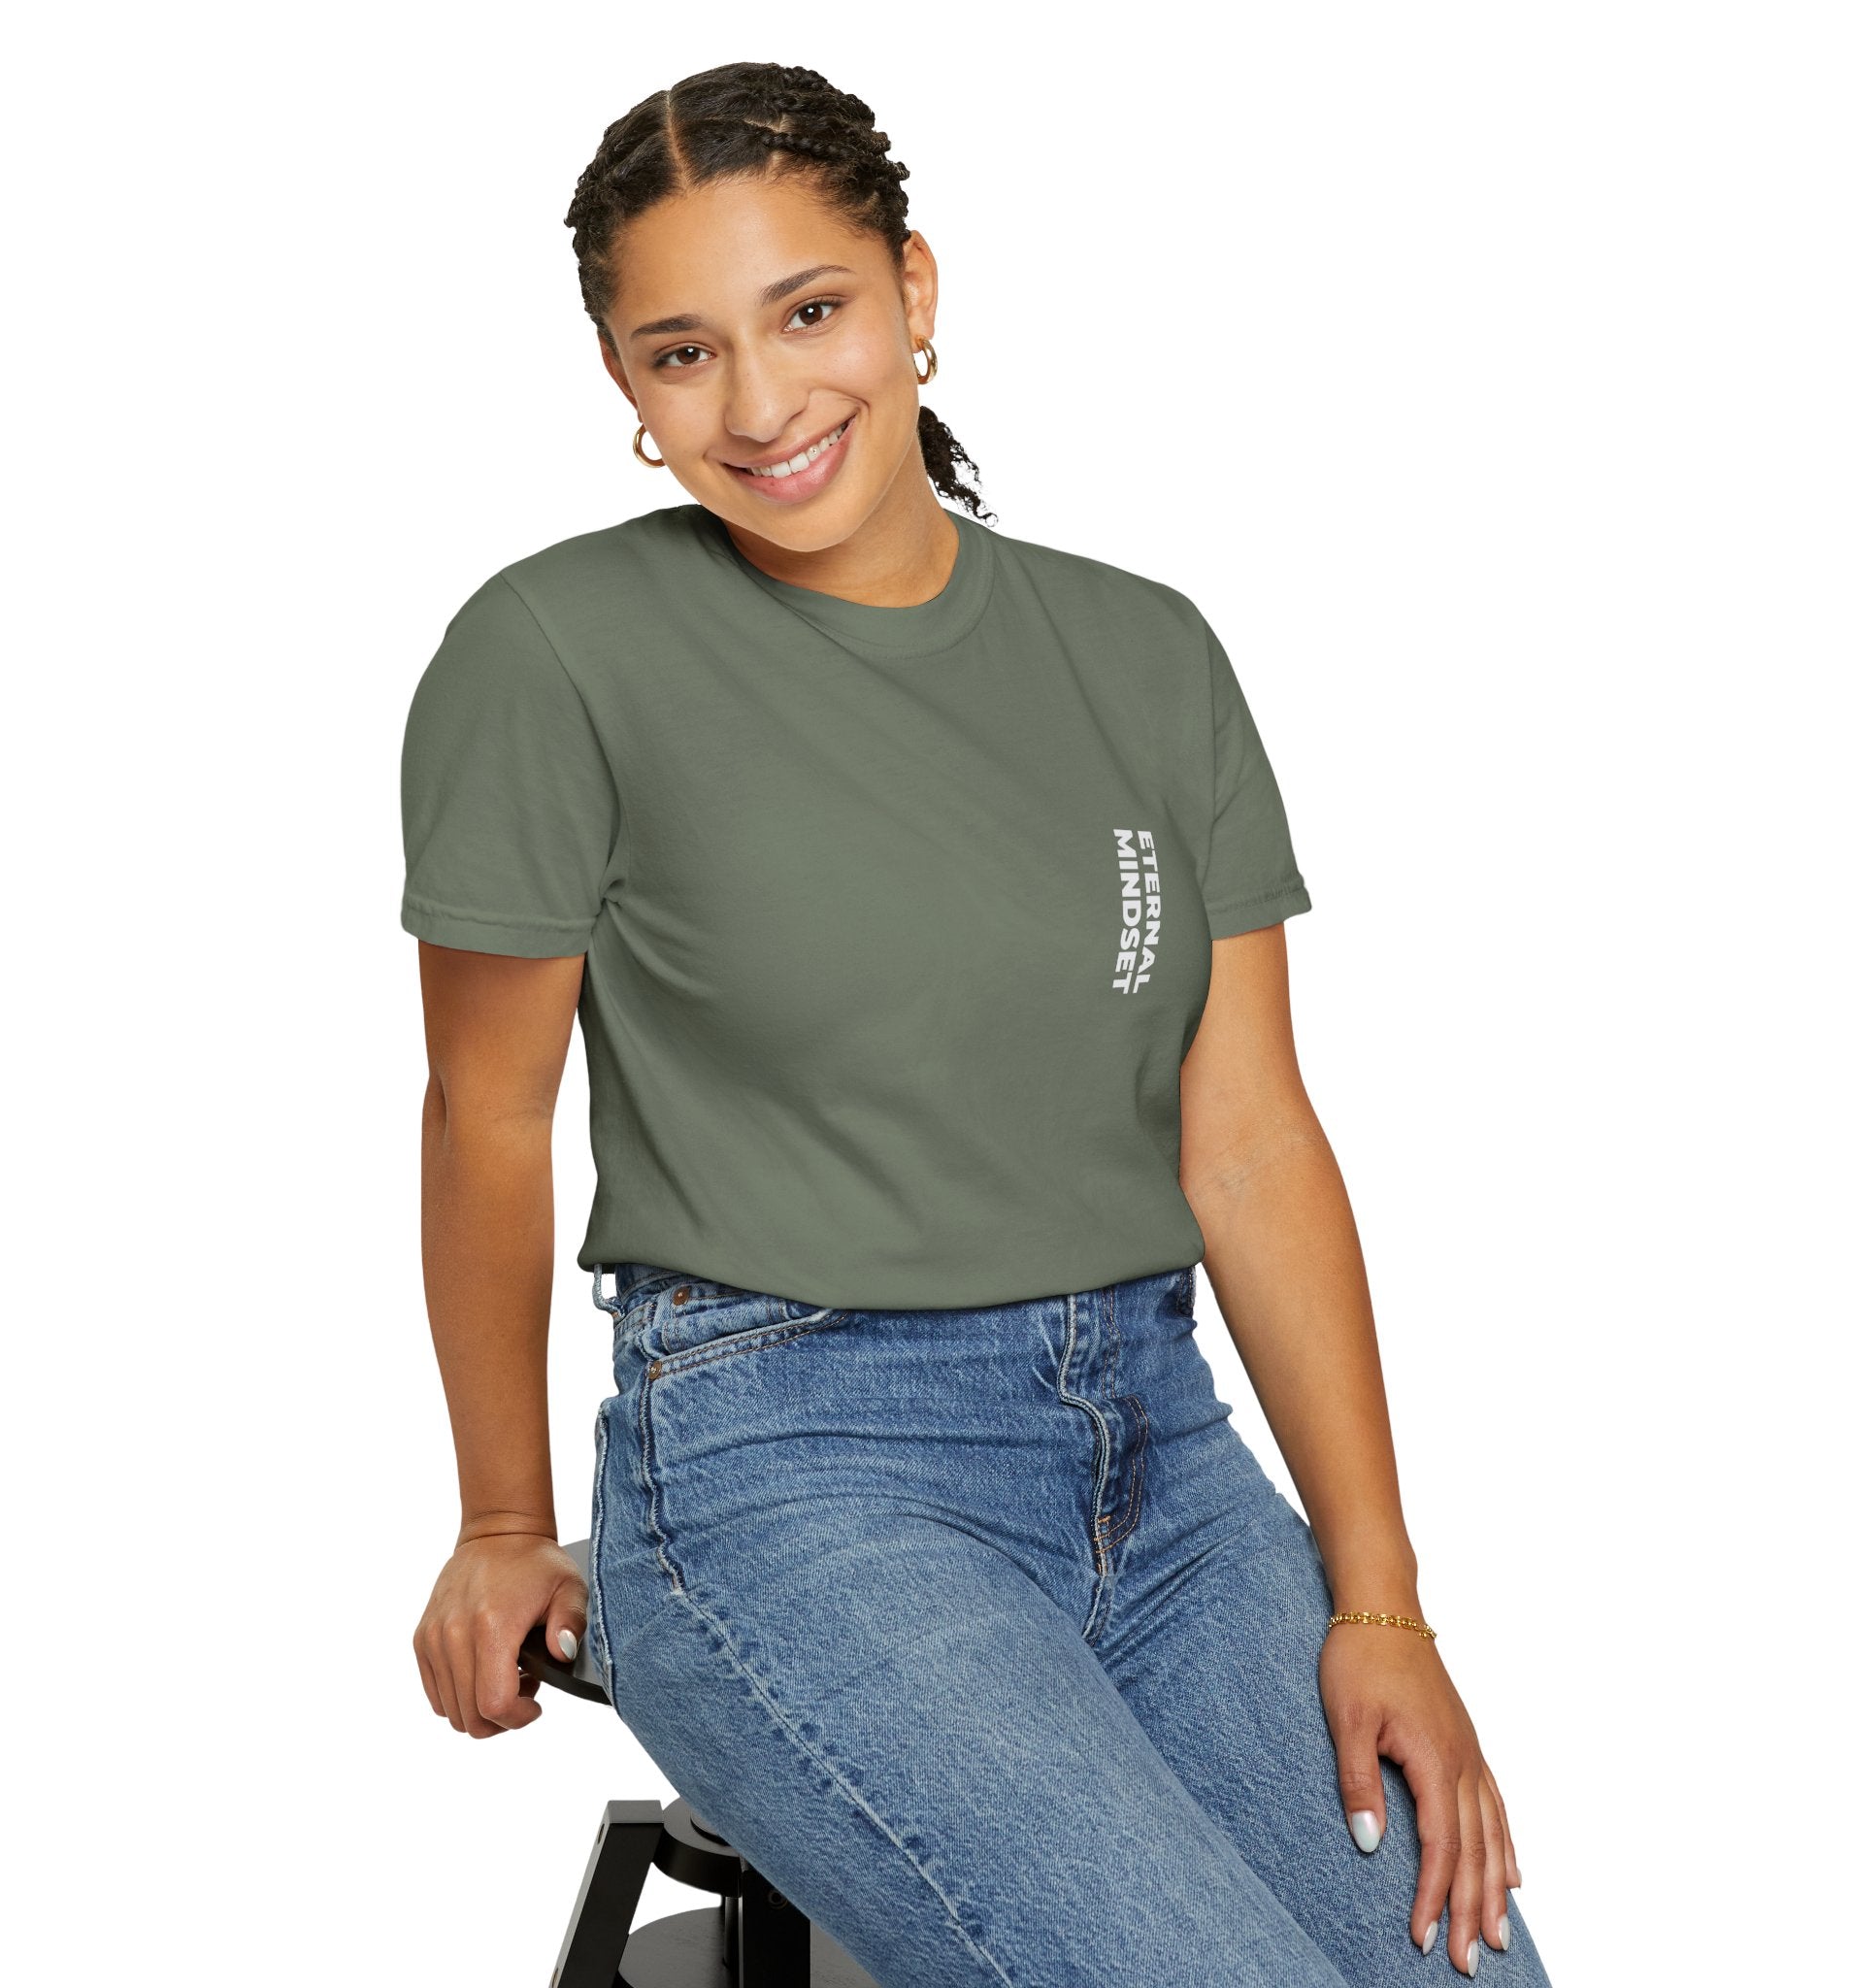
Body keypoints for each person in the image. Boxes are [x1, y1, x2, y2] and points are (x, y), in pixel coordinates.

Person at [399, 59, 1553, 1988]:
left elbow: (1249, 1136)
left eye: (811, 312)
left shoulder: (1141, 654)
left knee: (1468, 1977)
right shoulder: (555, 655)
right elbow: (485, 1114)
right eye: (679, 353)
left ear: (914, 289)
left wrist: (1381, 1602)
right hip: (782, 1471)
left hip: (1159, 1462)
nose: (760, 405)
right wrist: (504, 1514)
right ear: (622, 384)